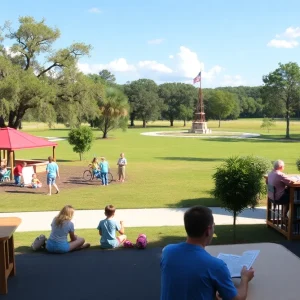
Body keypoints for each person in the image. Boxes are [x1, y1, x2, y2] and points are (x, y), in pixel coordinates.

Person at [160, 206, 254, 300]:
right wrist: (245, 278)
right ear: (208, 230)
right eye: (214, 225)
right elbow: (238, 299)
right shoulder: (216, 266)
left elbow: (185, 282)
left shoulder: (167, 252)